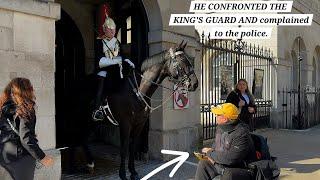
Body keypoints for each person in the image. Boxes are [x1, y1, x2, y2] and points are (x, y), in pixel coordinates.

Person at [0, 78, 54, 180]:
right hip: (21, 159)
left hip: (4, 157)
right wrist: (42, 157)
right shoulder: (26, 108)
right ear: (26, 90)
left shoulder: (3, 106)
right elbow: (26, 139)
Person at [92, 11, 135, 123]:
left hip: (116, 70)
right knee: (102, 80)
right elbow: (100, 61)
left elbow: (122, 56)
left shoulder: (117, 42)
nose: (112, 31)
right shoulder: (99, 42)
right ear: (105, 29)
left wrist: (128, 61)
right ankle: (98, 109)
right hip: (104, 69)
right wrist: (115, 61)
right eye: (109, 29)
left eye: (113, 29)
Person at [195, 103, 256, 180]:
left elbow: (230, 159)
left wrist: (210, 153)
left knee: (228, 174)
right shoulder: (221, 128)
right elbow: (216, 148)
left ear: (225, 119)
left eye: (218, 115)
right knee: (203, 163)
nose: (216, 116)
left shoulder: (241, 133)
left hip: (241, 168)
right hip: (223, 165)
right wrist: (210, 155)